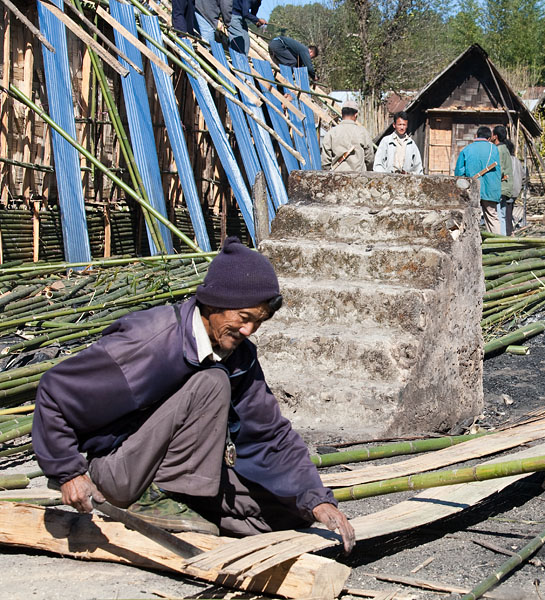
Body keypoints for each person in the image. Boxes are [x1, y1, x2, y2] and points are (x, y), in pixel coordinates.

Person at [32, 238, 355, 550]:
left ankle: (185, 506)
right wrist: (68, 473)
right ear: (214, 304)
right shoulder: (149, 341)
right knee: (212, 382)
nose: (248, 332)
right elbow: (55, 391)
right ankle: (160, 498)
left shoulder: (239, 355)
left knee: (288, 512)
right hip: (121, 472)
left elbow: (268, 433)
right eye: (244, 319)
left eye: (258, 323)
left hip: (180, 473)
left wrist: (316, 499)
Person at [455, 126, 502, 234]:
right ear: (489, 138)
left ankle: (472, 243)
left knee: (471, 217)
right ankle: (498, 245)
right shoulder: (494, 149)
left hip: (472, 189)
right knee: (492, 217)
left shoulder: (467, 149)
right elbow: (500, 169)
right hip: (491, 189)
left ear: (476, 136)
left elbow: (459, 173)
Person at [320, 100, 375, 172]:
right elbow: (369, 159)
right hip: (358, 177)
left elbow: (325, 161)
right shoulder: (363, 133)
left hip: (337, 177)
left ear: (342, 114)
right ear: (356, 115)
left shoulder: (332, 133)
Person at [492, 125, 517, 235]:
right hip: (506, 186)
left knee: (498, 215)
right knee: (501, 214)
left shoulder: (499, 149)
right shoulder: (505, 148)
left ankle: (499, 238)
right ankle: (502, 237)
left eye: (492, 134)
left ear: (495, 136)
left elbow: (500, 169)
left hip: (501, 186)